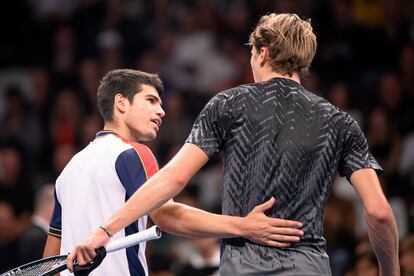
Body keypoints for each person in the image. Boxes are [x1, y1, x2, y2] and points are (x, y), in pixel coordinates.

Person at [69, 13, 400, 275]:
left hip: (242, 268)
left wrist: (104, 231)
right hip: (309, 266)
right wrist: (390, 270)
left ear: (262, 52)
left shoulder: (227, 104)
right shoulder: (339, 121)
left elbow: (173, 179)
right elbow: (379, 212)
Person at [43, 69, 304, 276]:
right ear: (121, 103)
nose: (162, 110)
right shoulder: (133, 153)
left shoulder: (68, 170)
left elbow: (51, 258)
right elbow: (167, 216)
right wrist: (243, 226)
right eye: (151, 100)